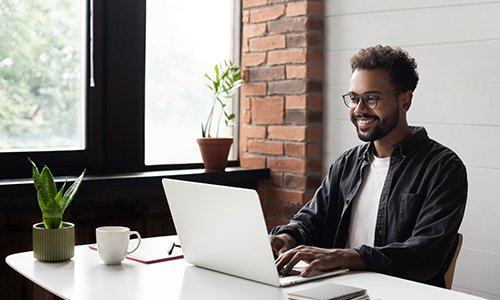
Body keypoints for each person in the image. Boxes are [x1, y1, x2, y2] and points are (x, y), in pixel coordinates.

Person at [270, 45, 467, 288]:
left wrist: (344, 256)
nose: (359, 109)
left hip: (401, 293)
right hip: (338, 289)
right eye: (354, 98)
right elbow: (312, 219)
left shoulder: (443, 167)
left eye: (372, 98)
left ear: (405, 100)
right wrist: (287, 237)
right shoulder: (346, 163)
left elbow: (423, 255)